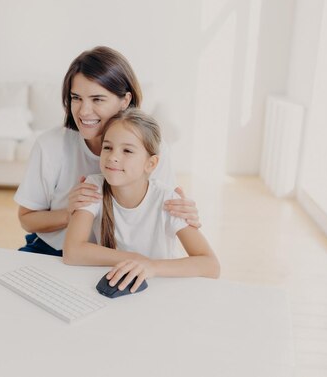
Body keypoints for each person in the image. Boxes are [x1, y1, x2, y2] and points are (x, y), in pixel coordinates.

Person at [14, 46, 200, 257]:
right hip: (56, 249)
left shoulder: (152, 150)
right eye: (76, 98)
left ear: (125, 101)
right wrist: (70, 212)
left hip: (120, 255)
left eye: (97, 99)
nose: (83, 111)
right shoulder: (51, 145)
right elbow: (26, 219)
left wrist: (183, 214)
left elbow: (164, 212)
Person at [63, 109, 220, 291]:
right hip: (120, 285)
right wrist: (137, 260)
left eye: (127, 150)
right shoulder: (93, 187)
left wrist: (151, 266)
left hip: (161, 286)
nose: (113, 157)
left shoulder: (167, 200)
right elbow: (72, 252)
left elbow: (211, 265)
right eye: (107, 147)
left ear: (151, 163)